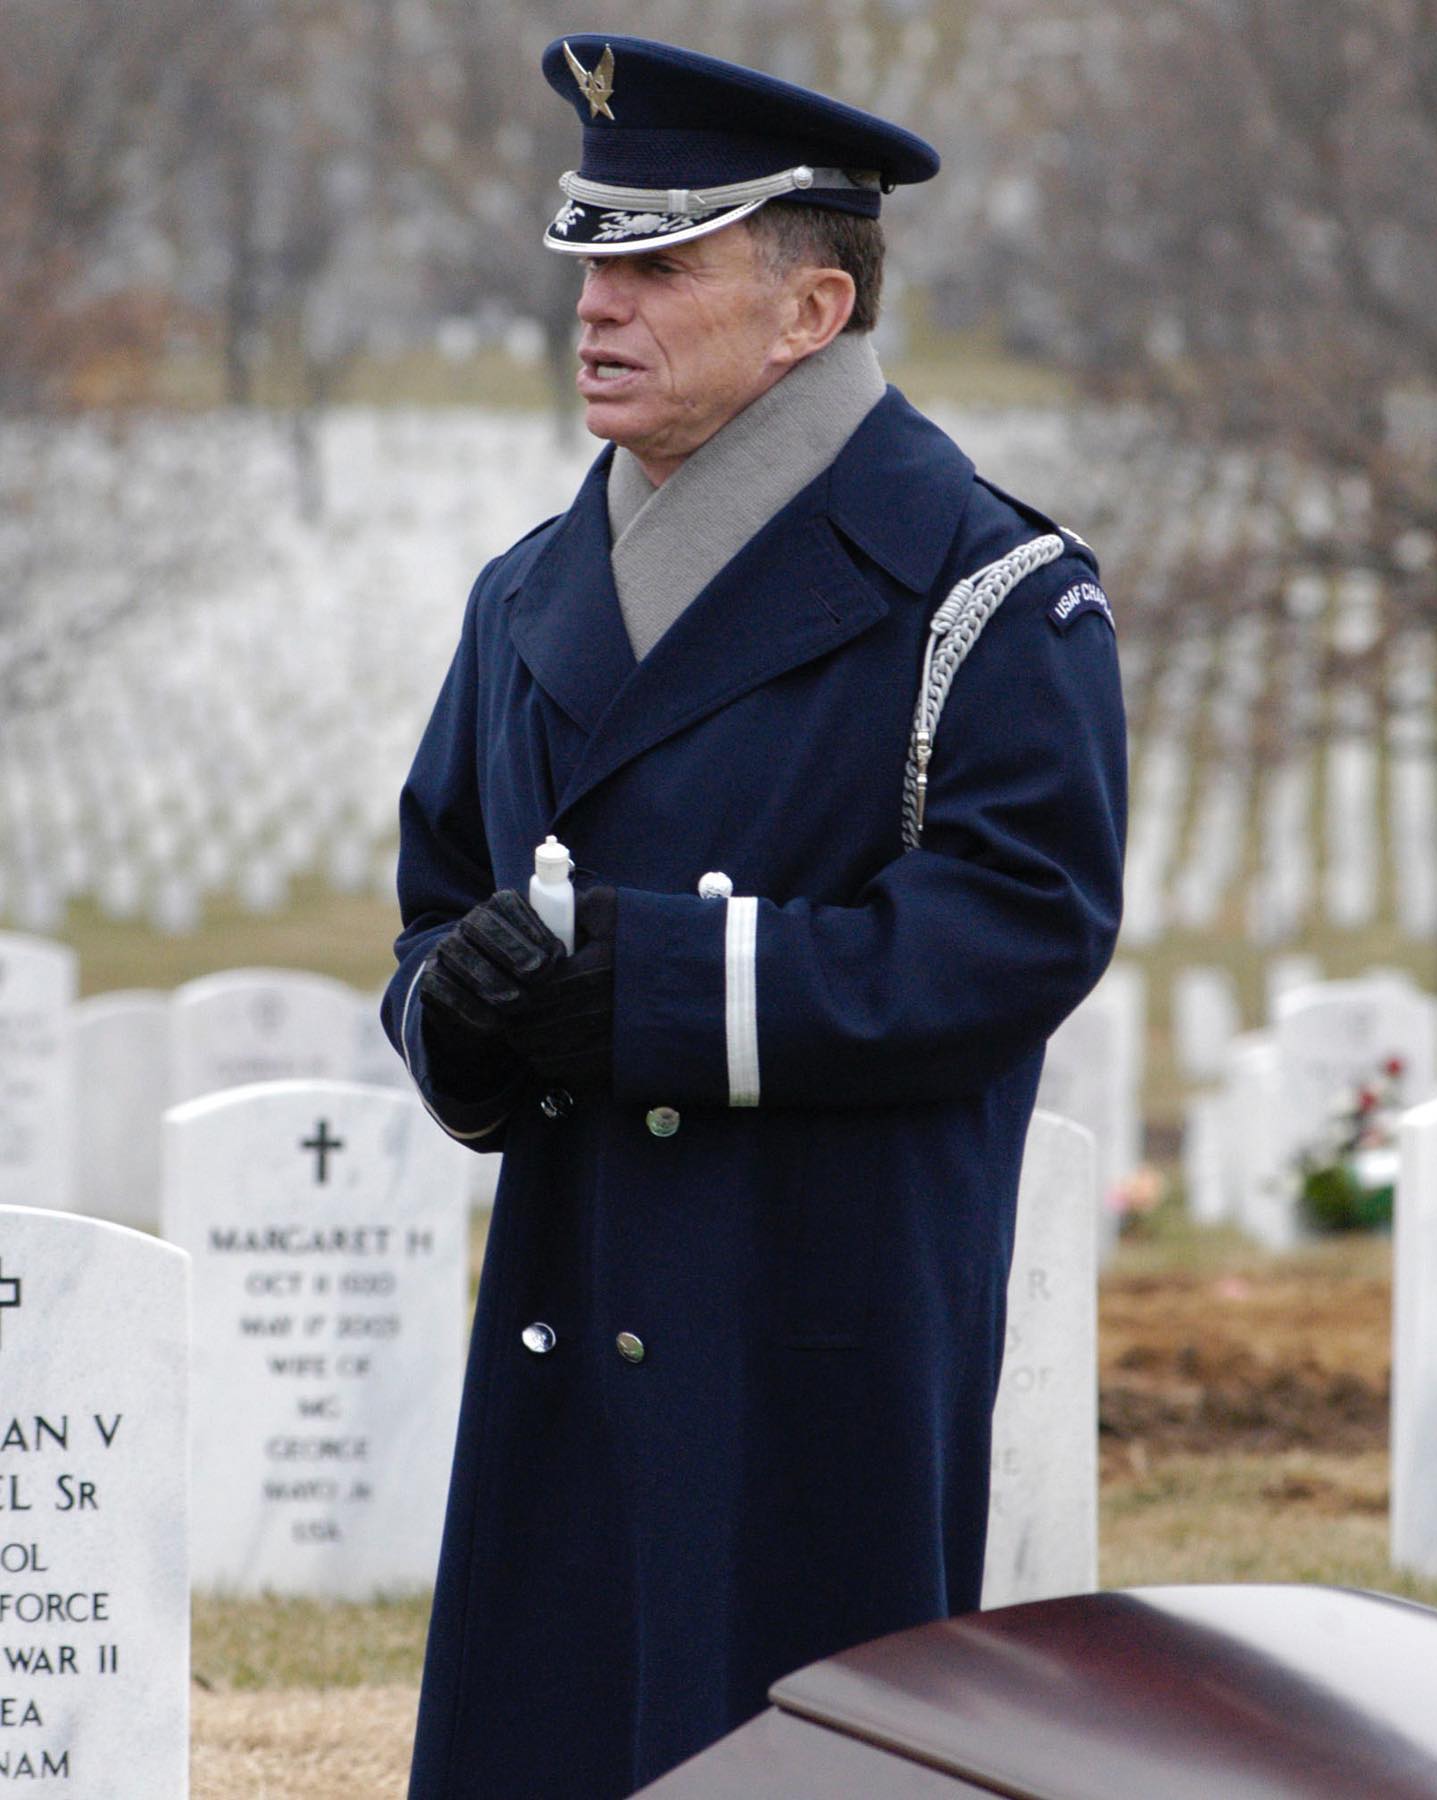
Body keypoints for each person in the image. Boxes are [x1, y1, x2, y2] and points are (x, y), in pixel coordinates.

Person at [383, 32, 1126, 1800]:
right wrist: (465, 1012)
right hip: (573, 1314)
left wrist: (660, 987)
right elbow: (433, 901)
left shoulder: (992, 585)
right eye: (588, 264)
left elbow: (1021, 926)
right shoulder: (527, 592)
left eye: (654, 265)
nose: (595, 307)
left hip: (821, 1334)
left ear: (810, 310)